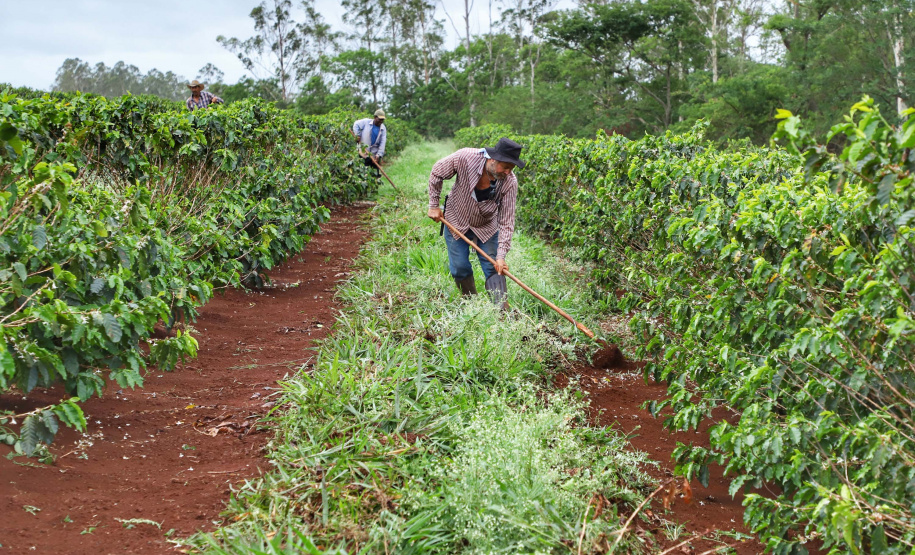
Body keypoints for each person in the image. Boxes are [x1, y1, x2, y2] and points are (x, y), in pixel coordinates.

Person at [426, 137, 525, 308]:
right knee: (459, 267)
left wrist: (501, 257)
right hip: (457, 220)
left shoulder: (509, 182)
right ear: (493, 159)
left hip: (486, 226)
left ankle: (501, 310)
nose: (508, 172)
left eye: (512, 168)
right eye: (506, 167)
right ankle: (471, 304)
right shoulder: (465, 158)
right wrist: (434, 205)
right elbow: (437, 172)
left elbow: (507, 222)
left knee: (494, 268)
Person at [352, 109, 387, 174]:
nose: (381, 121)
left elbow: (383, 142)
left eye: (382, 120)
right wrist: (358, 135)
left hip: (374, 155)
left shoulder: (383, 128)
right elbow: (356, 124)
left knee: (375, 175)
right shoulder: (366, 122)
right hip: (363, 153)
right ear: (375, 117)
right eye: (379, 119)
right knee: (362, 174)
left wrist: (379, 155)